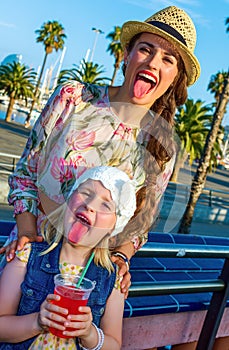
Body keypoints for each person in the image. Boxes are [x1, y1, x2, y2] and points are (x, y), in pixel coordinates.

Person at [0, 5, 200, 293]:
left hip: (86, 284)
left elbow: (139, 224)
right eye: (146, 49)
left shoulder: (162, 146)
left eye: (168, 59)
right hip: (24, 260)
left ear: (175, 78)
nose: (153, 63)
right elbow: (25, 173)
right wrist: (28, 234)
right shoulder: (73, 98)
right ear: (128, 55)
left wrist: (121, 257)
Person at [0, 166, 137, 349]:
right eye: (86, 193)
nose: (90, 205)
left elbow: (113, 344)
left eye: (105, 205)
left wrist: (89, 334)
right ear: (69, 200)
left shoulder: (112, 281)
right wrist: (36, 322)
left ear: (114, 227)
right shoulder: (26, 258)